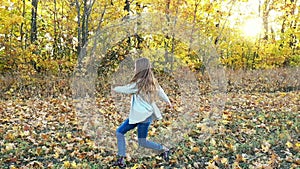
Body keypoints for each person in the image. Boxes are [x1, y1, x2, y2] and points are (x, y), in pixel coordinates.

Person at [112, 57, 172, 167]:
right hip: (145, 116)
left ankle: (163, 149)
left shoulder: (138, 84)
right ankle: (121, 159)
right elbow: (161, 92)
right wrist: (168, 102)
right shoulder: (152, 82)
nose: (134, 69)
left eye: (135, 67)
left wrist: (114, 88)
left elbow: (126, 89)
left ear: (140, 69)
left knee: (120, 133)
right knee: (141, 141)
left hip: (140, 116)